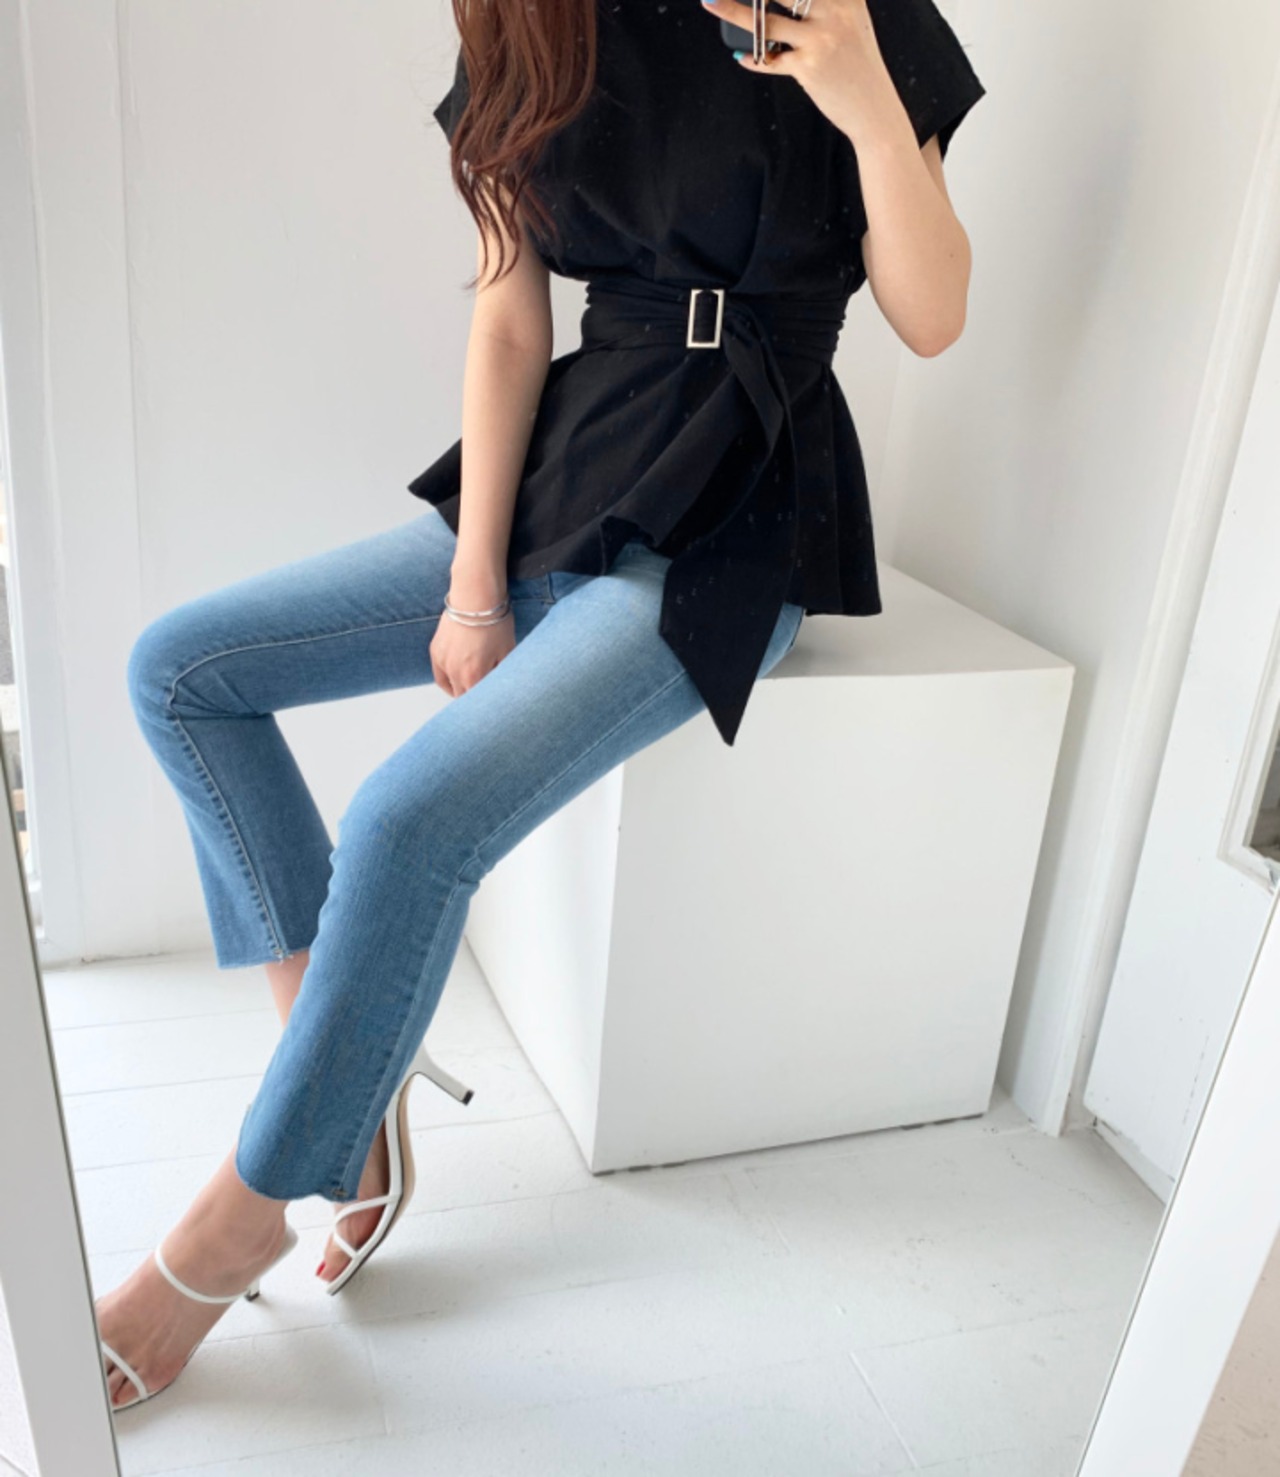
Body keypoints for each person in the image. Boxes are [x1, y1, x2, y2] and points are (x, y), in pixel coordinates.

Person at [95, 0, 985, 1413]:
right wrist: (473, 581)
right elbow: (511, 323)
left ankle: (233, 1226)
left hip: (740, 512)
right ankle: (341, 1088)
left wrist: (869, 98)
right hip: (570, 465)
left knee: (405, 819)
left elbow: (933, 318)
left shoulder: (855, 16)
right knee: (182, 671)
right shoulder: (531, 27)